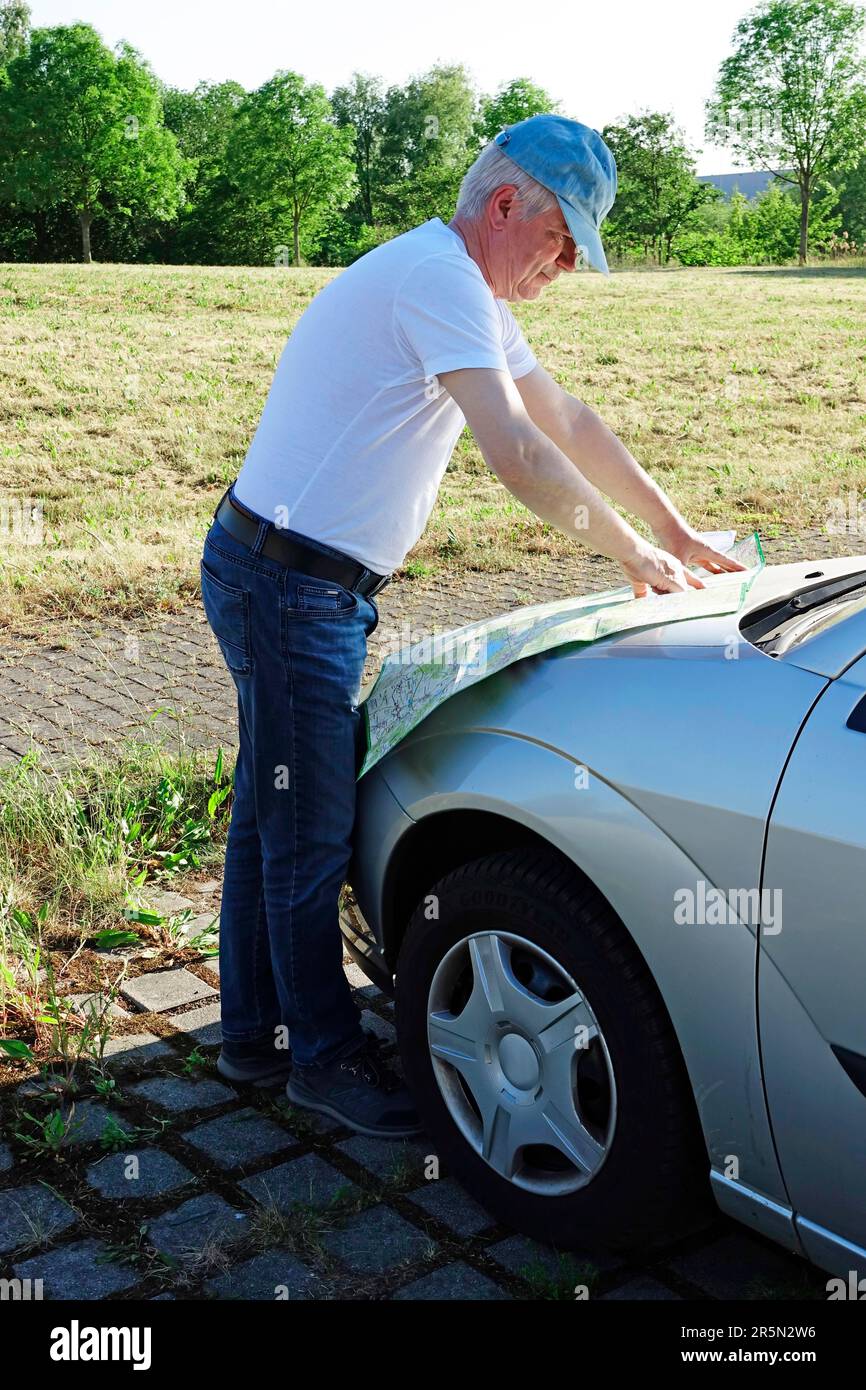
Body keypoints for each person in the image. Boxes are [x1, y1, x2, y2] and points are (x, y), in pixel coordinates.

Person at [200, 114, 745, 1139]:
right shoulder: (438, 279)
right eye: (562, 239)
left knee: (269, 813)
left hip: (289, 575)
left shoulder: (465, 285)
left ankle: (250, 1034)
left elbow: (565, 422)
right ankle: (317, 1056)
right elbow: (519, 458)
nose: (568, 264)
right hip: (286, 587)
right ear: (505, 207)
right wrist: (631, 558)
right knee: (309, 831)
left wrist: (675, 529)